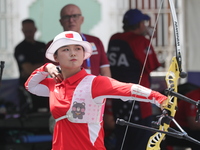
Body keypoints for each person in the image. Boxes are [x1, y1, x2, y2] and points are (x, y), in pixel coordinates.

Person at [24, 31, 168, 150]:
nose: (73, 53)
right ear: (56, 57)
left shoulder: (95, 82)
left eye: (77, 48)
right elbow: (30, 86)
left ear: (83, 54)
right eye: (66, 49)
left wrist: (160, 99)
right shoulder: (54, 84)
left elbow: (129, 89)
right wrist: (46, 67)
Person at [46, 4, 115, 140]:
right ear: (61, 21)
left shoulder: (95, 41)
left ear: (82, 19)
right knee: (65, 140)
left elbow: (106, 74)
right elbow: (49, 78)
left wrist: (106, 105)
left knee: (91, 140)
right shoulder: (53, 46)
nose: (71, 20)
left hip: (93, 101)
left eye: (75, 16)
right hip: (66, 103)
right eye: (67, 17)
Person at [107, 9, 161, 150]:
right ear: (139, 24)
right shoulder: (140, 41)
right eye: (143, 22)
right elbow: (153, 65)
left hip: (118, 96)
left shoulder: (114, 38)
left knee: (122, 139)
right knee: (140, 142)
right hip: (139, 99)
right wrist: (147, 41)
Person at [14, 19, 48, 113]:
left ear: (35, 29)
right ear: (22, 31)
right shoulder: (20, 48)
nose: (29, 33)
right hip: (28, 89)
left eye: (30, 31)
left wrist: (35, 67)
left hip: (44, 86)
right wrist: (44, 66)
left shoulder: (42, 46)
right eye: (26, 31)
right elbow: (28, 70)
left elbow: (51, 65)